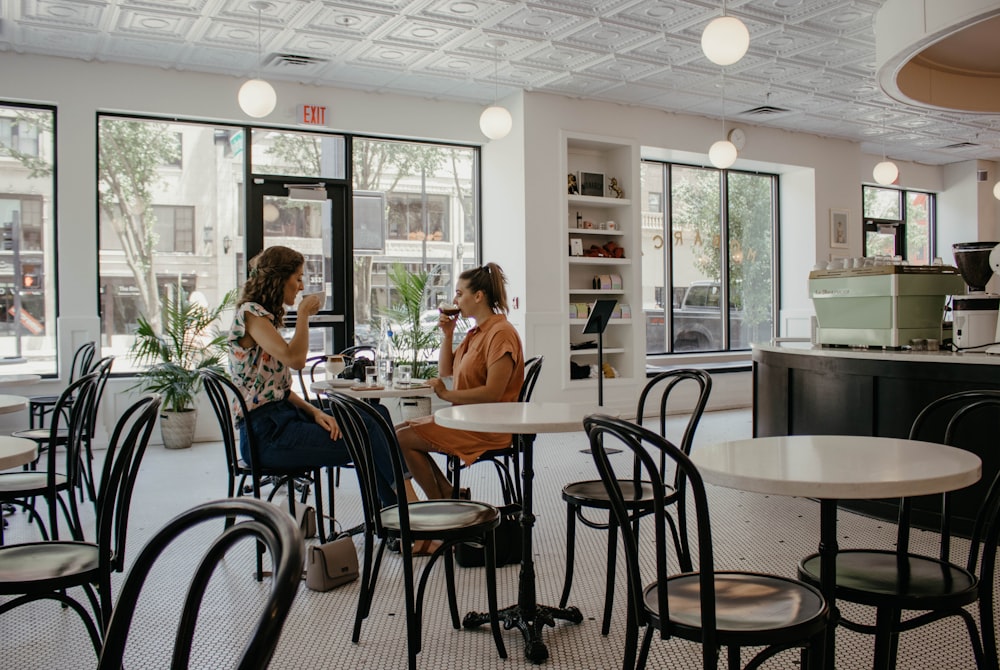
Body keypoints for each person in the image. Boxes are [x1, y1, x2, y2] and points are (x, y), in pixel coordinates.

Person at [228, 245, 399, 506]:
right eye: (297, 278)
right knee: (367, 434)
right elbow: (295, 360)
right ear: (279, 279)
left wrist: (314, 411)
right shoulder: (251, 315)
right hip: (266, 436)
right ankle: (403, 512)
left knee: (377, 415)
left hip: (282, 416)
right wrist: (304, 315)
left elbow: (279, 390)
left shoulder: (262, 316)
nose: (301, 286)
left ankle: (396, 514)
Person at [397, 262, 525, 503]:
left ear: (478, 296)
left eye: (459, 293)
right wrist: (447, 335)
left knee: (401, 438)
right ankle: (446, 496)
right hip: (466, 419)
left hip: (489, 427)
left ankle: (443, 506)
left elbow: (492, 394)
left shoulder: (501, 333)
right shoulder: (476, 333)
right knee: (398, 432)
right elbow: (447, 371)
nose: (455, 301)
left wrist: (446, 395)